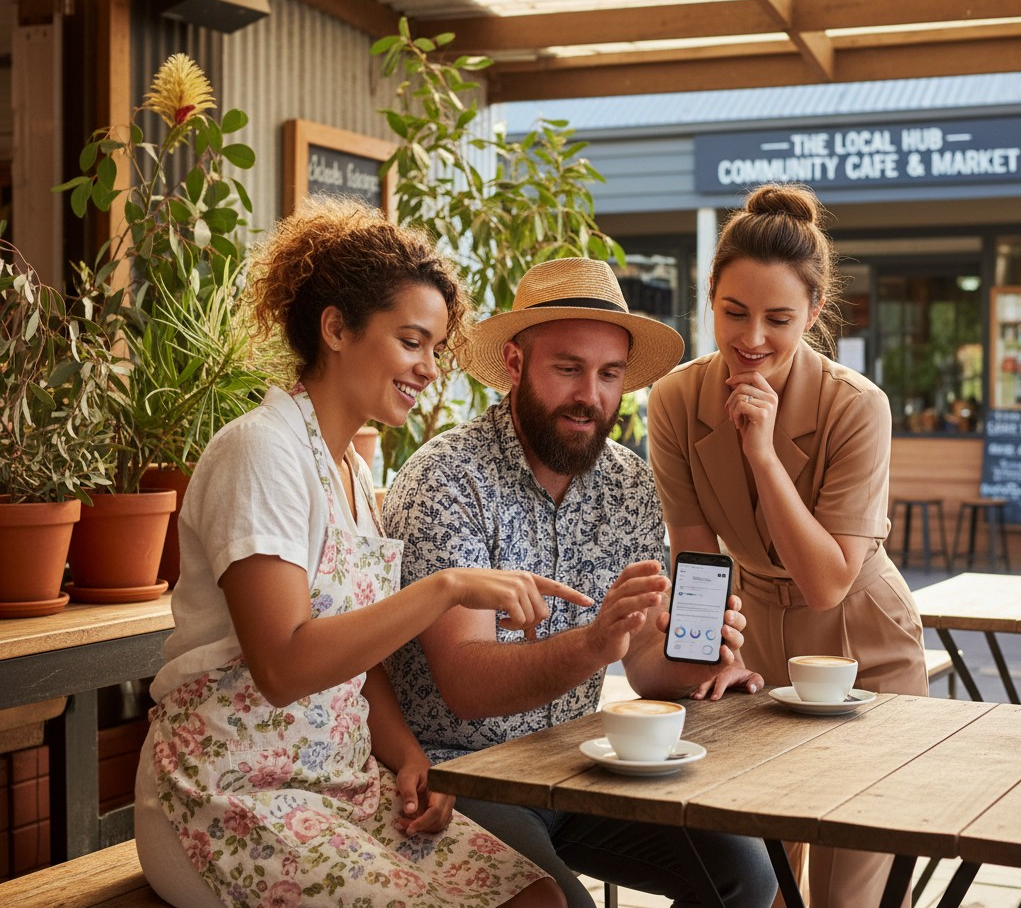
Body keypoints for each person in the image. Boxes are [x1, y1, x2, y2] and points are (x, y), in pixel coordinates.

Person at [134, 196, 590, 908]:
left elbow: (356, 659)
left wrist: (409, 759)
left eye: (437, 349)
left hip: (343, 782)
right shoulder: (262, 453)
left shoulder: (351, 469)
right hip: (232, 791)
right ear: (337, 328)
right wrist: (443, 589)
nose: (429, 368)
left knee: (536, 898)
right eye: (412, 342)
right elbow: (285, 665)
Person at [384, 257, 778, 908]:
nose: (590, 395)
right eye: (568, 368)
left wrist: (697, 653)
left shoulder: (628, 484)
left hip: (580, 762)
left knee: (747, 876)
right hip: (462, 775)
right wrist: (595, 646)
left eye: (610, 374)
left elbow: (648, 669)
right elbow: (466, 687)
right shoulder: (445, 482)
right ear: (514, 364)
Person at [646, 184, 928, 908]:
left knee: (842, 895)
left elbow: (830, 579)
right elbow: (695, 552)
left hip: (863, 646)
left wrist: (764, 455)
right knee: (757, 880)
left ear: (812, 312)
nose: (752, 339)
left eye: (778, 319)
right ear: (709, 298)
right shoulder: (676, 400)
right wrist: (713, 649)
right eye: (733, 313)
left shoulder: (856, 406)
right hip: (755, 648)